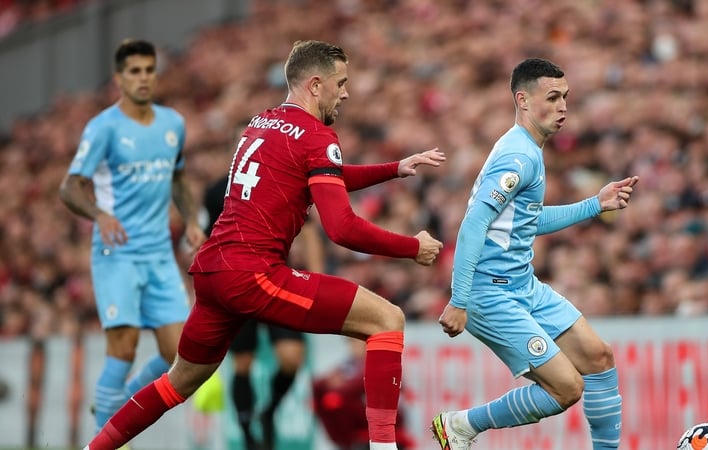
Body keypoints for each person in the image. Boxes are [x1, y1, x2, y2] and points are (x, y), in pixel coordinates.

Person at [83, 39, 445, 450]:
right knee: (387, 319)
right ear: (315, 84)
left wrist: (394, 169)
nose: (346, 92)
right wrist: (411, 248)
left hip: (212, 272)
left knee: (178, 382)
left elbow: (324, 174)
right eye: (340, 82)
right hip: (253, 274)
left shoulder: (262, 122)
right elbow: (341, 228)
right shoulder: (316, 135)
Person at [433, 58, 638, 450]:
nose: (563, 107)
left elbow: (524, 222)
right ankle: (461, 425)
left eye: (566, 97)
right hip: (488, 294)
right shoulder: (519, 157)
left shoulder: (527, 148)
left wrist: (596, 204)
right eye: (553, 97)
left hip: (521, 286)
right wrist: (459, 300)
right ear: (522, 100)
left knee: (598, 357)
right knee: (566, 388)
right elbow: (473, 224)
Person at [59, 39, 206, 434]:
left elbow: (178, 178)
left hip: (158, 256)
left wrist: (191, 219)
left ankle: (118, 408)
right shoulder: (104, 127)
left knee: (180, 355)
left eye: (149, 70)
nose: (143, 78)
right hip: (117, 253)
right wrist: (99, 214)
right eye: (135, 72)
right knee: (122, 351)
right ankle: (108, 438)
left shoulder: (172, 123)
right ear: (119, 79)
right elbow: (70, 187)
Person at [202, 172, 321, 450]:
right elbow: (208, 238)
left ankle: (269, 411)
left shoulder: (281, 179)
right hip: (237, 282)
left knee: (292, 357)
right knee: (243, 362)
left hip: (278, 277)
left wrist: (316, 274)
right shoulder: (217, 189)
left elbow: (311, 228)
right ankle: (247, 432)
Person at [311, 338, 414, 450]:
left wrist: (340, 385)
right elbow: (320, 383)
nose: (353, 347)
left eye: (356, 342)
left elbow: (356, 385)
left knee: (335, 400)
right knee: (328, 401)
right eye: (350, 342)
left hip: (384, 434)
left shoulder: (382, 363)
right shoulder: (348, 365)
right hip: (357, 436)